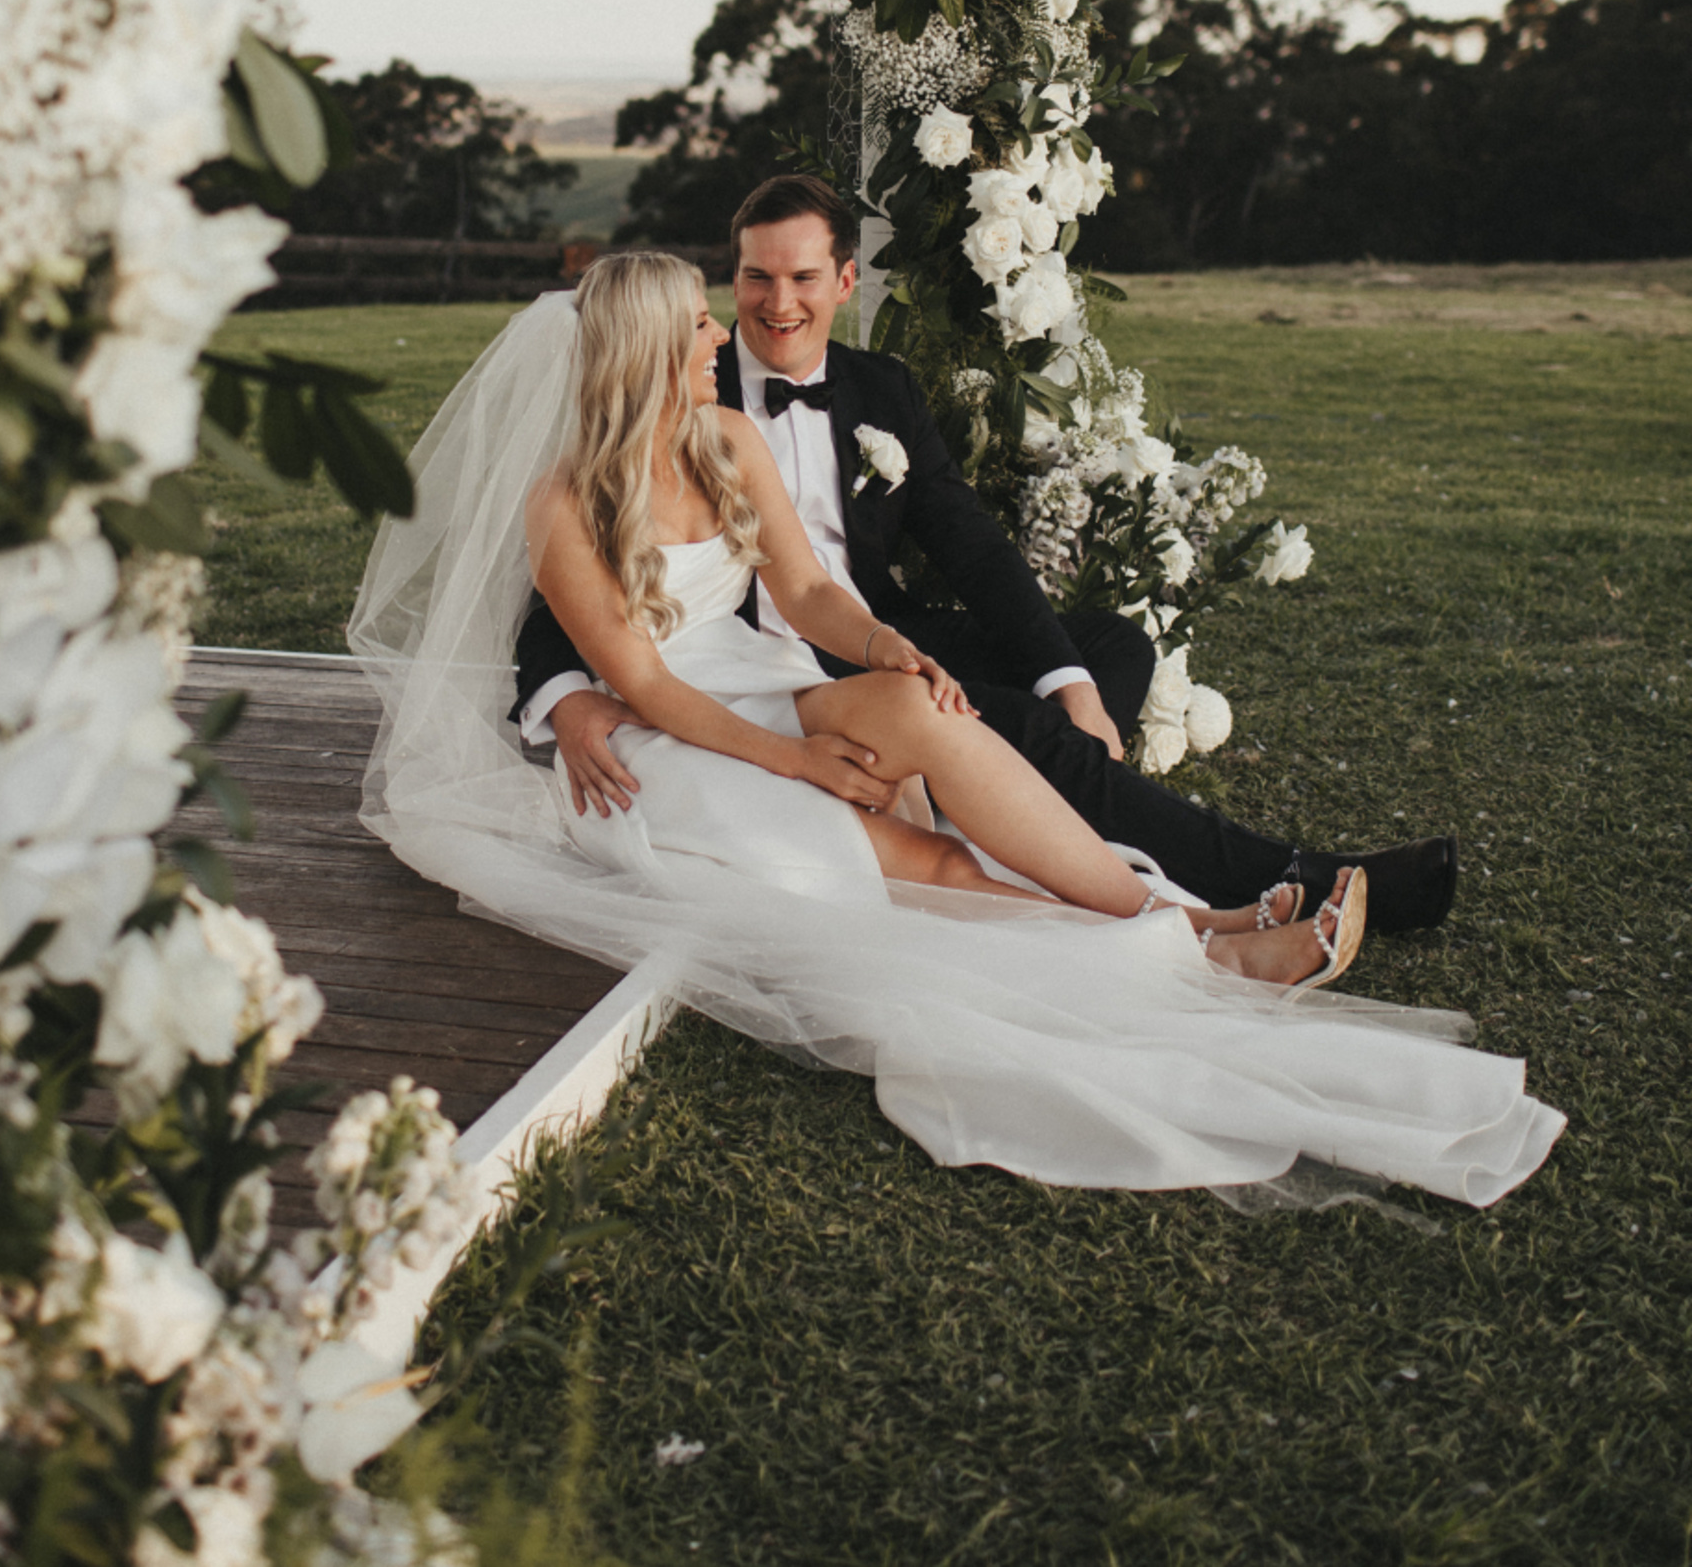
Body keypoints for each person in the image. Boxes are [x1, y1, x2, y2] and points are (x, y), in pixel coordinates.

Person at [349, 257, 1562, 1206]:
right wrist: (800, 761)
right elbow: (644, 687)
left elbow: (815, 597)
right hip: (679, 741)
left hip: (766, 676)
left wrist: (889, 653)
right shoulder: (561, 502)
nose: (721, 336)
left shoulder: (722, 440)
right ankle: (1197, 942)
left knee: (923, 715)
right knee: (916, 860)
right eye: (699, 328)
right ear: (644, 351)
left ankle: (1184, 920)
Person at [517, 175, 1457, 934]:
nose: (763, 308)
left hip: (832, 642)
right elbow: (589, 623)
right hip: (729, 682)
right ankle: (1252, 881)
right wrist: (565, 701)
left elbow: (941, 546)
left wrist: (1038, 672)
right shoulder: (614, 460)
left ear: (844, 281)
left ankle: (1032, 784)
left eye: (802, 278)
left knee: (1106, 653)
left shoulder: (863, 392)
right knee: (1022, 733)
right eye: (752, 281)